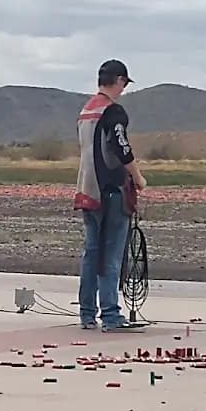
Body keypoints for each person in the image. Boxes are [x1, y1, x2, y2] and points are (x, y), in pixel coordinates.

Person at [73, 59, 147, 331]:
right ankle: (112, 315)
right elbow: (121, 147)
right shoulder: (113, 111)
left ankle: (87, 313)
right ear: (118, 81)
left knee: (92, 252)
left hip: (86, 190)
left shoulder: (86, 110)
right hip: (110, 192)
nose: (124, 89)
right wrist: (137, 177)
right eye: (124, 83)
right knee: (112, 253)